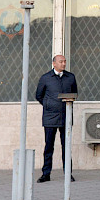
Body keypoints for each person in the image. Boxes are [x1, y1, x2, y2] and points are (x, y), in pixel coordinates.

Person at [35, 54, 78, 183]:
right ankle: (46, 174)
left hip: (66, 116)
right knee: (49, 146)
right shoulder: (46, 78)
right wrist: (48, 105)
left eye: (65, 61)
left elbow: (74, 93)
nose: (63, 64)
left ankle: (68, 173)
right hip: (50, 117)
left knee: (66, 146)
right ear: (54, 63)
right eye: (61, 62)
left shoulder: (70, 77)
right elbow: (39, 95)